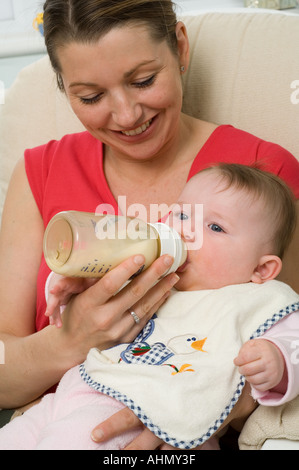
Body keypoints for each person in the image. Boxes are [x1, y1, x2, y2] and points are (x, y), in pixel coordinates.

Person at [0, 0, 298, 449]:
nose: (126, 115)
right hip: (47, 411)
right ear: (63, 88)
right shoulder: (40, 171)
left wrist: (190, 408)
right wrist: (70, 341)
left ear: (179, 48)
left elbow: (277, 335)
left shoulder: (262, 178)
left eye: (143, 81)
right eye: (90, 96)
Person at [0, 164, 298, 450]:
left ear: (261, 270)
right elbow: (91, 308)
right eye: (182, 214)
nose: (185, 231)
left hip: (138, 409)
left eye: (215, 227)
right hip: (71, 392)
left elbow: (293, 343)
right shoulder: (146, 273)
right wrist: (71, 283)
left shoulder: (258, 300)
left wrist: (278, 363)